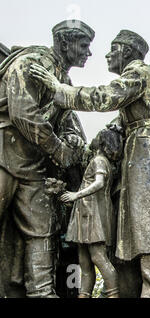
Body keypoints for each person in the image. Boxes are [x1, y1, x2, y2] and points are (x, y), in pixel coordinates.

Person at [30, 29, 150, 298]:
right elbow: (112, 127)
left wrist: (59, 90)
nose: (105, 54)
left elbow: (103, 96)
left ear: (126, 52)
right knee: (142, 233)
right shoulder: (144, 90)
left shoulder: (139, 73)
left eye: (112, 49)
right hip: (147, 157)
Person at [0, 20, 94, 298]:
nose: (89, 53)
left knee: (42, 229)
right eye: (84, 45)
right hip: (4, 151)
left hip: (32, 164)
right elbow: (23, 112)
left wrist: (71, 138)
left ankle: (41, 293)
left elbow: (62, 120)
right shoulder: (31, 62)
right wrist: (57, 148)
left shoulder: (63, 79)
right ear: (65, 43)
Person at [61, 128, 122, 298]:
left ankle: (113, 295)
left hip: (93, 214)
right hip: (86, 213)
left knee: (98, 258)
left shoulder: (99, 160)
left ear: (102, 143)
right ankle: (84, 295)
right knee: (85, 263)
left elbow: (99, 183)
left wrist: (76, 195)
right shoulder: (101, 161)